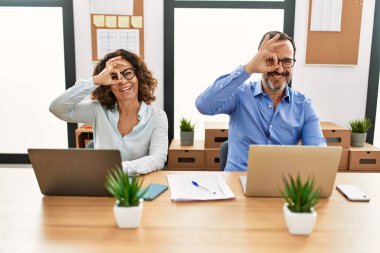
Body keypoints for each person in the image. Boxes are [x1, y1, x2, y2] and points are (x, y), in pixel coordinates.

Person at [195, 31, 326, 172]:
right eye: (271, 60)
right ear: (260, 59)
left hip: (281, 187)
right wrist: (249, 68)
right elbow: (203, 105)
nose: (279, 69)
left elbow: (318, 156)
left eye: (287, 61)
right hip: (236, 183)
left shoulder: (304, 105)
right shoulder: (240, 94)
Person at [50, 49, 168, 175]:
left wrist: (117, 169)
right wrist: (95, 80)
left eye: (128, 73)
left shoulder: (157, 117)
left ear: (138, 76)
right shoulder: (97, 110)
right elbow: (56, 108)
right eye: (114, 76)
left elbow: (158, 158)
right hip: (102, 185)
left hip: (138, 187)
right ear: (107, 84)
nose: (122, 81)